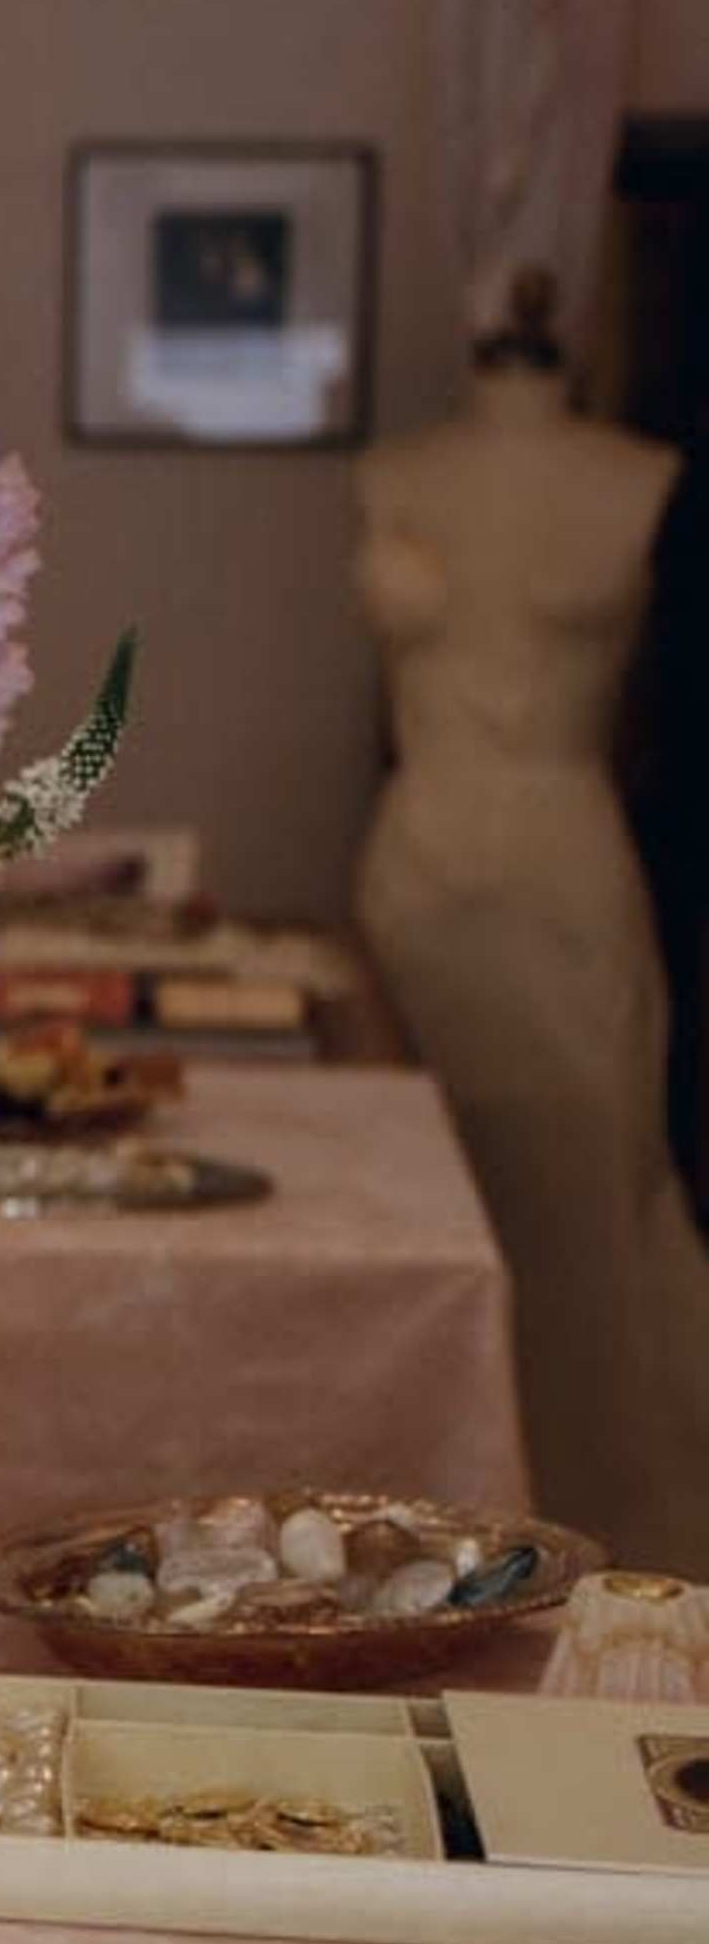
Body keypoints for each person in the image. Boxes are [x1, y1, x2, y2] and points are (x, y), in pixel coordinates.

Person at [353, 268, 709, 1562]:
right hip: (424, 876)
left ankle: (608, 1509)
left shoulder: (637, 473)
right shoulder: (402, 469)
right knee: (426, 1203)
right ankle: (433, 1496)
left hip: (565, 873)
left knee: (586, 1198)